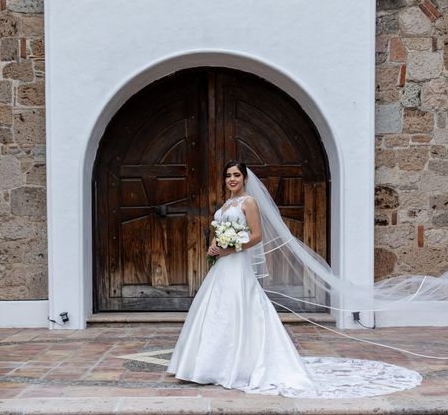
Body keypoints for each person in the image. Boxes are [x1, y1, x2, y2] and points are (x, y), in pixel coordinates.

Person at [167, 161, 433, 398]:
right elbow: (219, 229)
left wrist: (230, 248)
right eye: (228, 176)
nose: (232, 179)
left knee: (239, 307)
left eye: (236, 175)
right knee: (215, 310)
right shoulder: (225, 205)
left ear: (245, 178)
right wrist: (214, 246)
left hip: (237, 263)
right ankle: (205, 365)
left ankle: (239, 364)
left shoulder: (249, 202)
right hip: (222, 266)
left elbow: (256, 236)